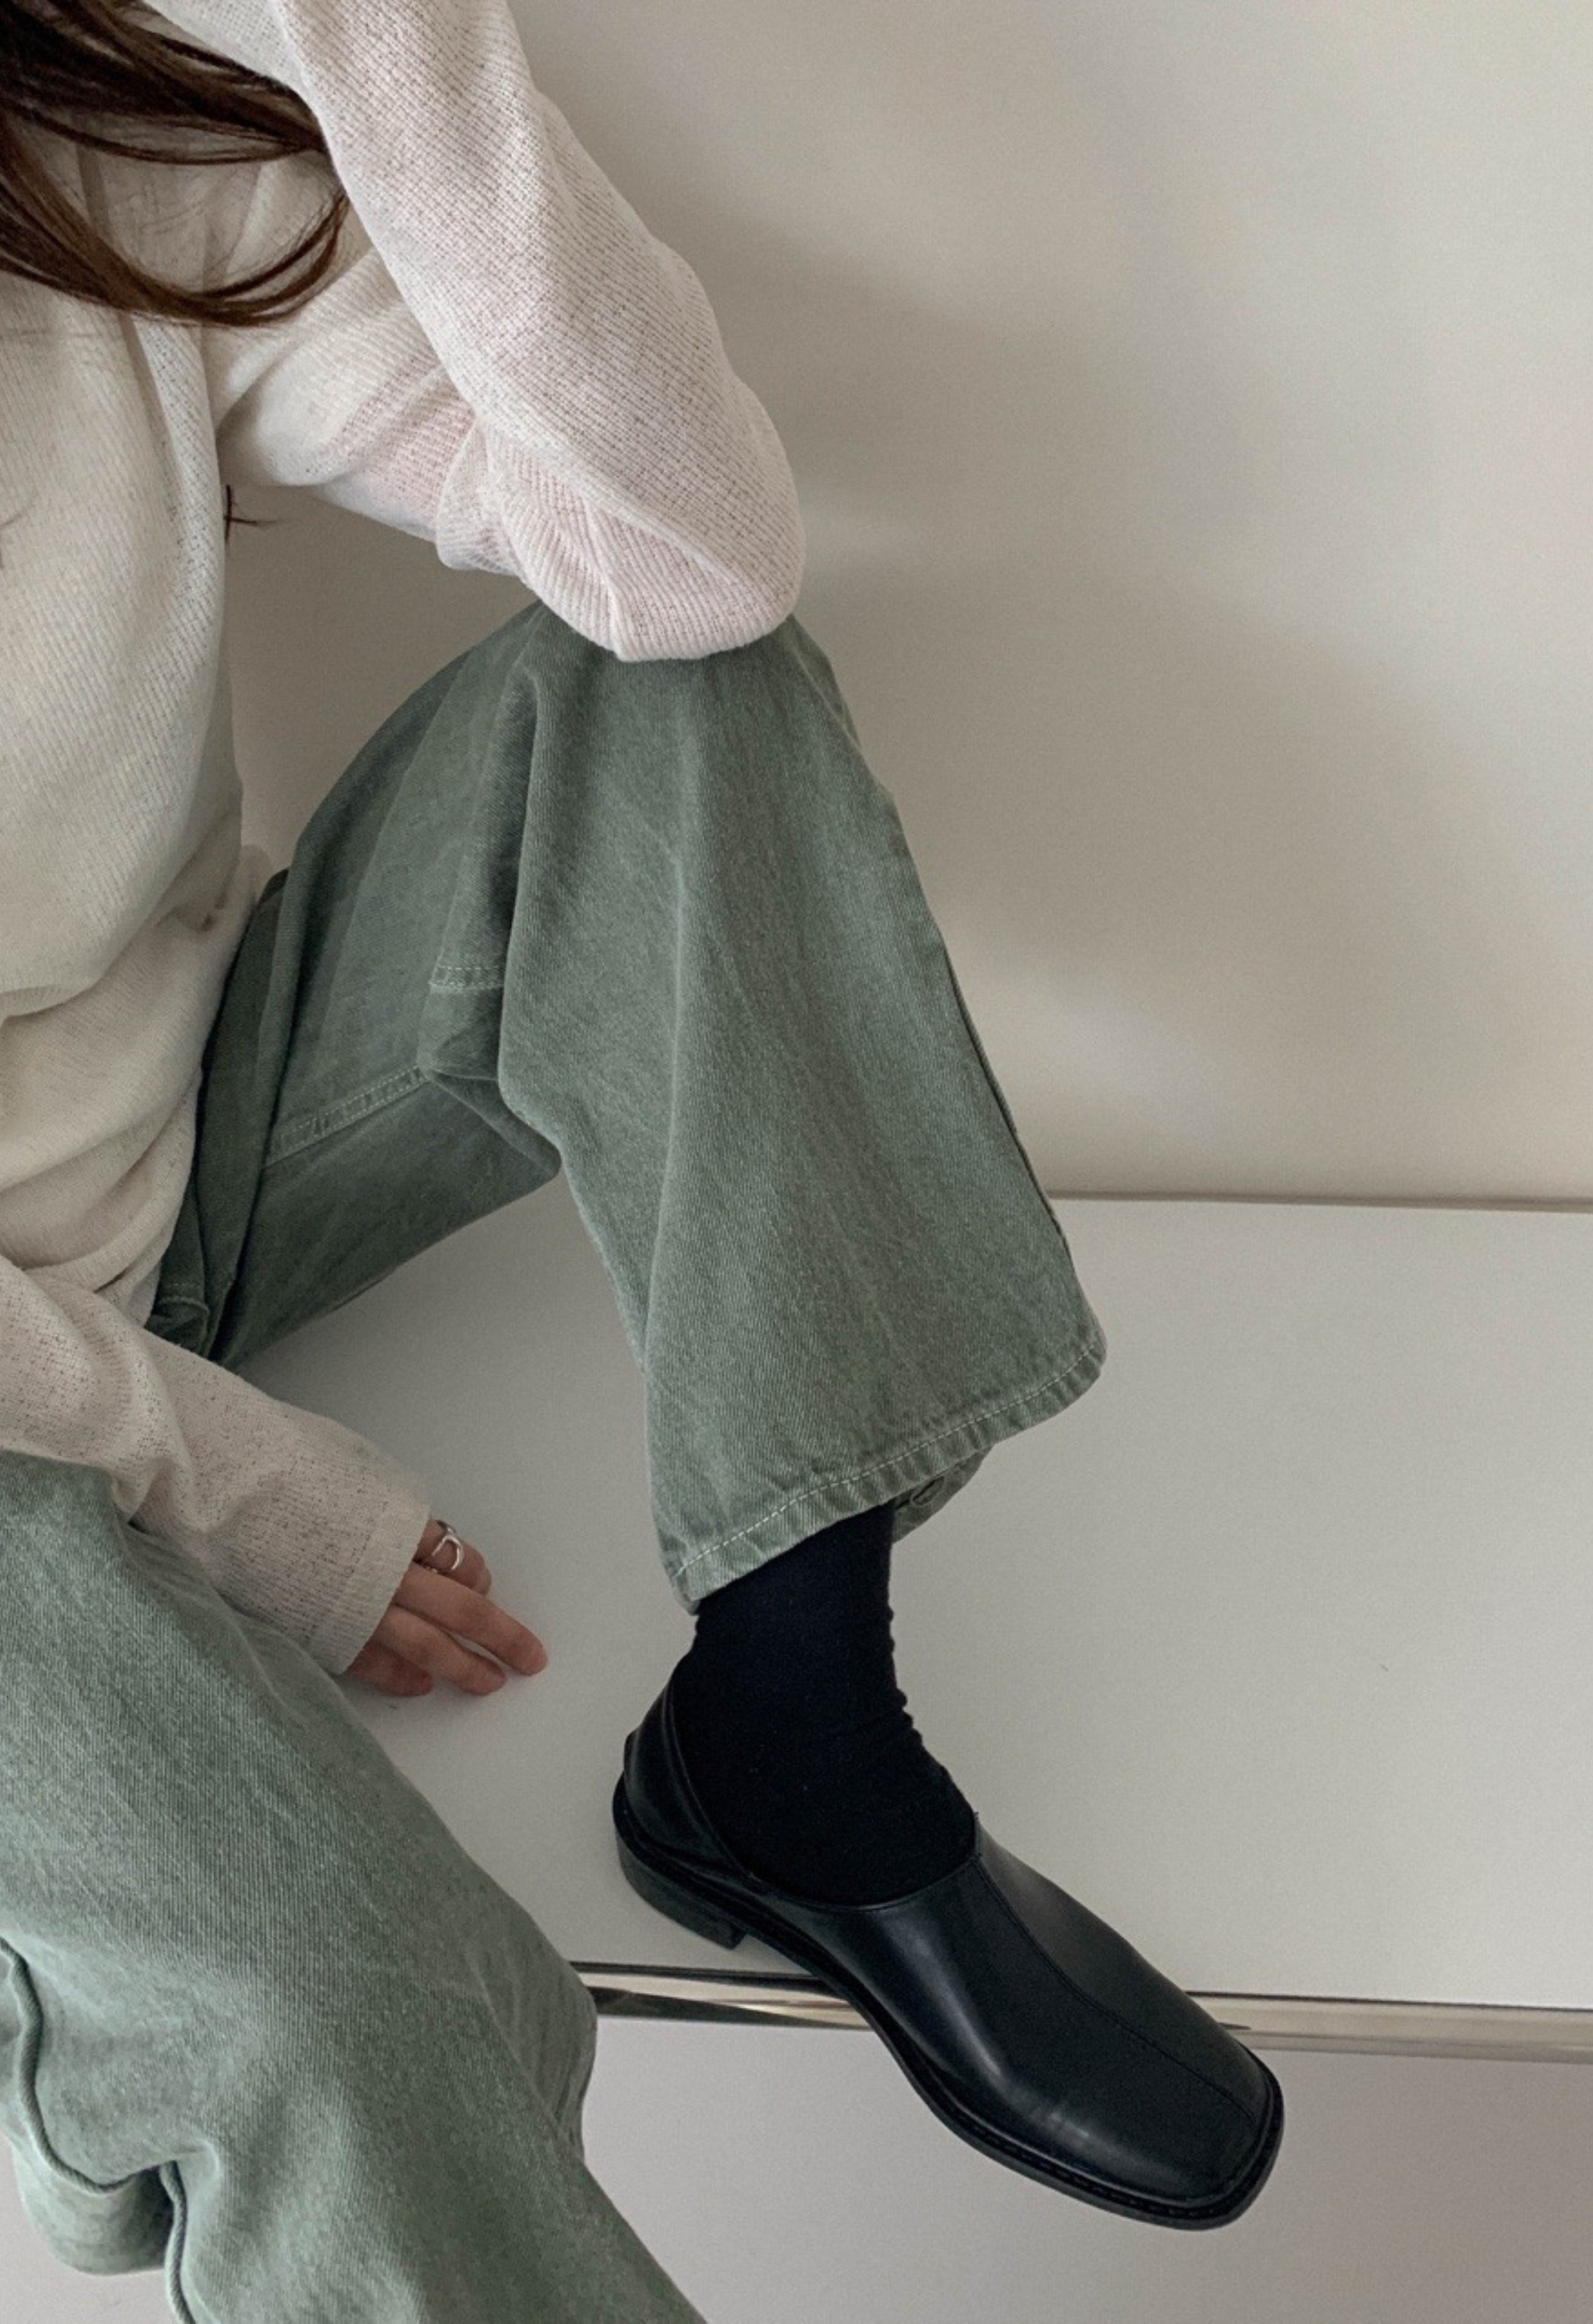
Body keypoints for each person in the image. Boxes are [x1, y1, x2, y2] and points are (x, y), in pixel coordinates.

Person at [0, 2, 1284, 2315]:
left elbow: (685, 562)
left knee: (673, 691)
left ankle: (793, 1738)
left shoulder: (89, 153)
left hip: (167, 1158)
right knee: (341, 2020)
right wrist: (232, 1479)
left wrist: (378, 29)